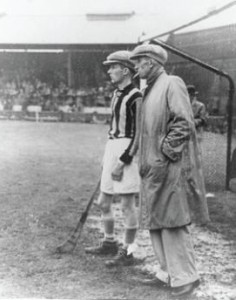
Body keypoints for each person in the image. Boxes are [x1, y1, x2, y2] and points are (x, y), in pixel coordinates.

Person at [130, 44, 210, 297]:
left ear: (151, 62)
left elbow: (184, 123)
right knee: (155, 221)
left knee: (173, 221)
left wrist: (165, 153)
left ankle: (187, 277)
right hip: (152, 167)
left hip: (167, 166)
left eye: (138, 61)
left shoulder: (172, 83)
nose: (135, 66)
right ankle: (167, 274)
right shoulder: (149, 89)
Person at [85, 50, 142, 267]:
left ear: (125, 70)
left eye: (113, 67)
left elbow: (138, 134)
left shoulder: (136, 96)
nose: (109, 71)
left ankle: (128, 252)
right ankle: (109, 242)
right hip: (113, 147)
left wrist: (123, 160)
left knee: (127, 205)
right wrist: (109, 157)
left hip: (127, 149)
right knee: (103, 201)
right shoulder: (116, 93)